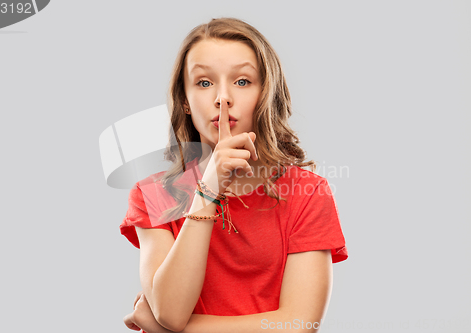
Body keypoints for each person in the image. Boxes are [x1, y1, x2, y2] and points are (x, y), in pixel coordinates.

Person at [120, 17, 348, 333]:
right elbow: (171, 312)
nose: (222, 97)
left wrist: (170, 331)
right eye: (204, 82)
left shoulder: (307, 192)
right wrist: (208, 189)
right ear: (185, 101)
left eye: (242, 81)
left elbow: (299, 325)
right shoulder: (154, 194)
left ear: (265, 94)